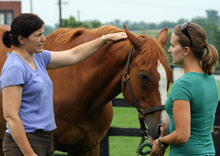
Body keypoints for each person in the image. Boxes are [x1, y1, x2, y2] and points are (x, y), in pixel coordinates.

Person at [0, 13, 127, 156]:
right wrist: (29, 154)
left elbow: (74, 55)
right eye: (38, 35)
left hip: (45, 138)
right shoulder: (15, 68)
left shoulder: (38, 58)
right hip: (25, 142)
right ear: (21, 39)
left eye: (43, 33)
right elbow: (11, 116)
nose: (44, 39)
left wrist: (104, 39)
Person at [150, 22, 219, 156]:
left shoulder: (183, 85)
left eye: (173, 45)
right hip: (208, 152)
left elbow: (182, 135)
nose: (169, 50)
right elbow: (195, 121)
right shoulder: (211, 80)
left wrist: (160, 141)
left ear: (186, 50)